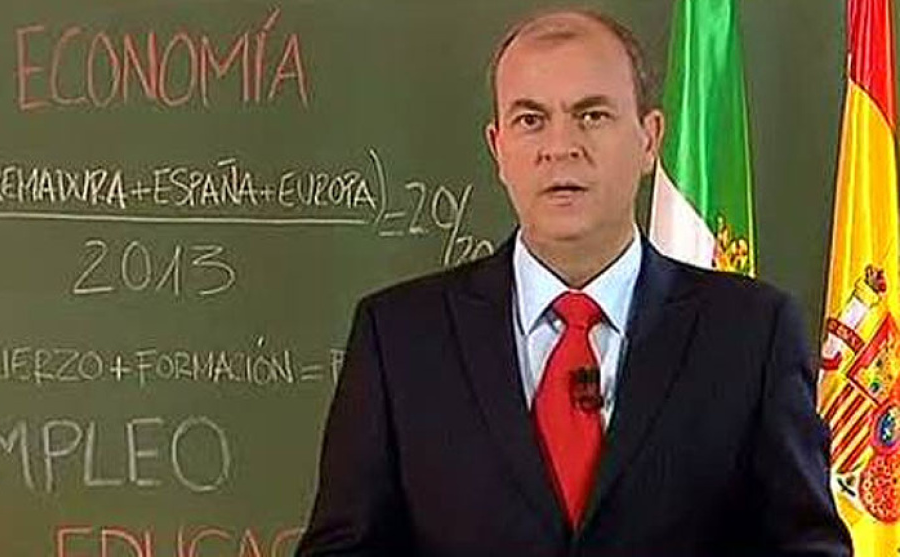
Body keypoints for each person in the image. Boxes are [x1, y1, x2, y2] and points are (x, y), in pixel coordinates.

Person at [296, 7, 852, 556]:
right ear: (498, 149)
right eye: (530, 120)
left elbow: (809, 545)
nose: (561, 147)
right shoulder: (399, 338)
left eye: (592, 115)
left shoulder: (752, 334)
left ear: (650, 140)